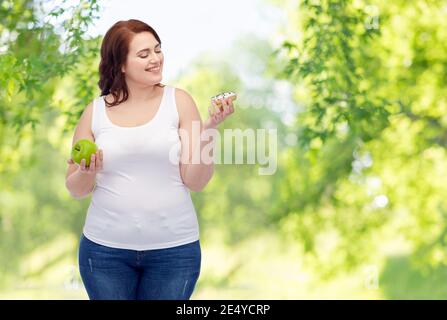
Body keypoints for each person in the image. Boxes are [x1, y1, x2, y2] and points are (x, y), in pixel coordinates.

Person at [65, 19, 235, 300]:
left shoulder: (179, 101)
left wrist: (209, 129)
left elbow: (196, 181)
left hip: (174, 253)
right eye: (144, 54)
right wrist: (87, 171)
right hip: (104, 253)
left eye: (157, 50)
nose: (156, 59)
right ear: (120, 64)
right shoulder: (93, 112)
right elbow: (75, 189)